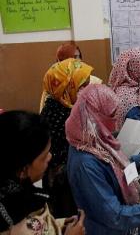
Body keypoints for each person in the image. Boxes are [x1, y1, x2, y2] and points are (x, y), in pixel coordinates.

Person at [66, 84, 140, 235]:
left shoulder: (93, 139)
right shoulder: (85, 164)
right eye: (112, 115)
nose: (115, 121)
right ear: (95, 117)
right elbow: (115, 216)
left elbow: (114, 169)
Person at [0, 111, 85, 235]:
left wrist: (60, 225)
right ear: (23, 170)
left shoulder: (22, 191)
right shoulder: (16, 221)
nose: (50, 157)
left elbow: (43, 226)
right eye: (44, 156)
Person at [40, 58, 93, 218]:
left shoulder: (70, 107)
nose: (87, 90)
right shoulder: (56, 115)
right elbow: (60, 155)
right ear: (65, 87)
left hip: (74, 175)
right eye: (81, 86)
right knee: (70, 221)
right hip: (63, 183)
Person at [39, 42, 102, 112]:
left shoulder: (92, 81)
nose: (77, 60)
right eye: (73, 57)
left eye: (78, 56)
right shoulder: (53, 83)